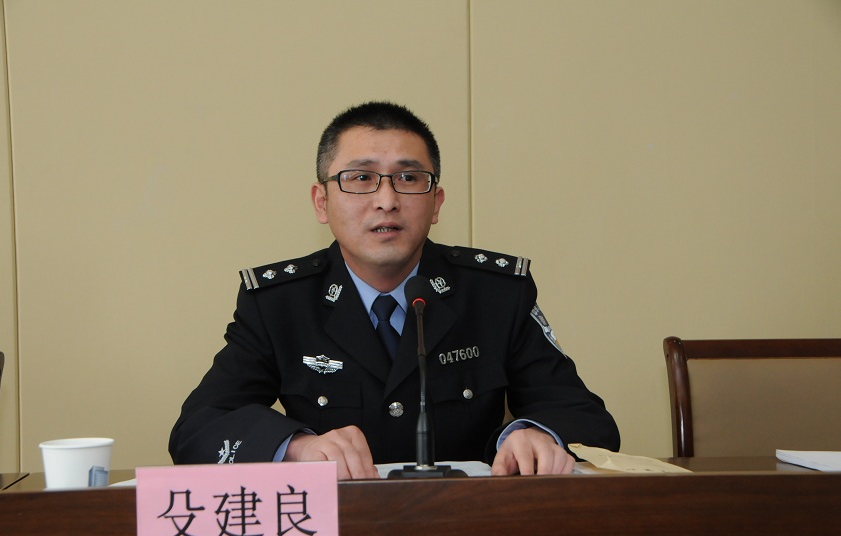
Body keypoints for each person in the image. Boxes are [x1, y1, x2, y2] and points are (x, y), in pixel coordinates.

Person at [169, 101, 619, 479]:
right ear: (322, 203)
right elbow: (198, 429)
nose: (386, 200)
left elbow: (585, 417)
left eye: (408, 178)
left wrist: (534, 434)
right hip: (339, 533)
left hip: (467, 527)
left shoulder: (495, 294)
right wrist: (296, 448)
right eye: (360, 178)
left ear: (436, 203)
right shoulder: (279, 304)